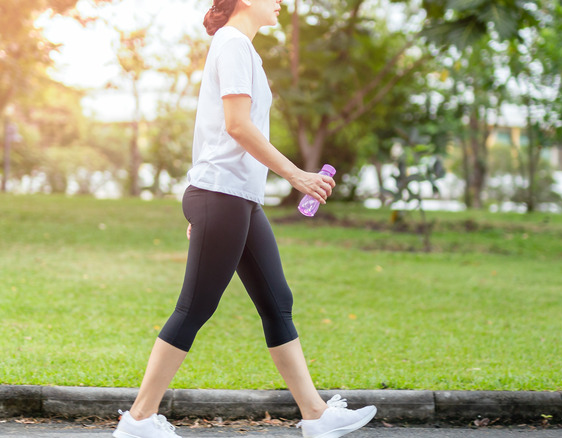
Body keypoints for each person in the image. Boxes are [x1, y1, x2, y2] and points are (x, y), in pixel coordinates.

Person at [111, 0, 377, 437]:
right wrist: (296, 175)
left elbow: (220, 129)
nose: (280, 3)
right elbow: (236, 125)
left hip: (236, 199)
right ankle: (138, 420)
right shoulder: (233, 44)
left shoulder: (241, 48)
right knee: (194, 308)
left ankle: (316, 416)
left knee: (277, 302)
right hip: (222, 195)